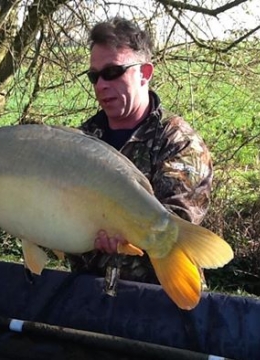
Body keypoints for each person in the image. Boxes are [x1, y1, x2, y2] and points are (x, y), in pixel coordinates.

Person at [66, 17, 213, 285]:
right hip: (90, 296)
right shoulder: (82, 140)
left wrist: (121, 228)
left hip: (159, 298)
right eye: (94, 76)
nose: (101, 85)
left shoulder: (179, 141)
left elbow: (178, 220)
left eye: (112, 72)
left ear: (145, 73)